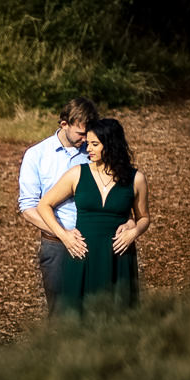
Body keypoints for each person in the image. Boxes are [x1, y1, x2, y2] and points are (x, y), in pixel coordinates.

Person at [34, 117, 150, 317]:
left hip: (119, 257)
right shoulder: (77, 174)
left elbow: (144, 217)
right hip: (82, 255)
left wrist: (134, 232)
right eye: (88, 143)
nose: (88, 149)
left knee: (119, 318)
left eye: (95, 144)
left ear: (111, 144)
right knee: (77, 317)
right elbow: (44, 205)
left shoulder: (136, 179)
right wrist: (64, 235)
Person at [18, 98, 99, 315]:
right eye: (81, 134)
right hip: (56, 245)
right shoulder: (37, 155)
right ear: (64, 125)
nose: (85, 140)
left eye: (88, 134)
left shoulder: (94, 152)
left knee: (96, 310)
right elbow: (28, 208)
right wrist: (63, 235)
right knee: (61, 313)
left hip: (94, 241)